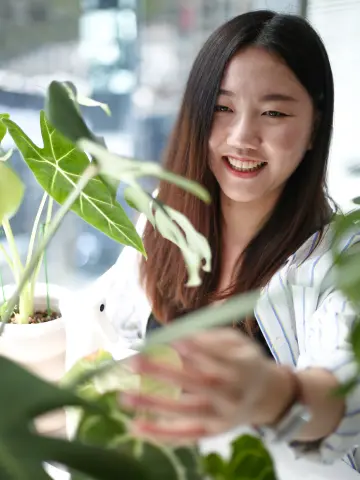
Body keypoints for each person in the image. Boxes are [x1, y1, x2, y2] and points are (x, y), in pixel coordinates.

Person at [71, 9, 360, 477]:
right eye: (222, 108)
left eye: (274, 112)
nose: (243, 137)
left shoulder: (344, 257)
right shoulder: (169, 214)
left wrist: (274, 394)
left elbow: (341, 392)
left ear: (314, 127)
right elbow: (100, 322)